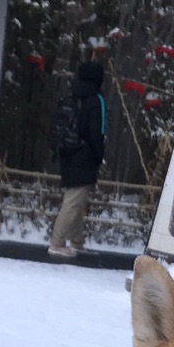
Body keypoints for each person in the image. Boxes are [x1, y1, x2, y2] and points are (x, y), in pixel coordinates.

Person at [48, 61, 107, 260]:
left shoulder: (73, 94)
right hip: (84, 155)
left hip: (67, 152)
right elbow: (96, 134)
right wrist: (99, 157)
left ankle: (77, 241)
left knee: (78, 200)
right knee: (74, 201)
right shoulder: (95, 99)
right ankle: (57, 243)